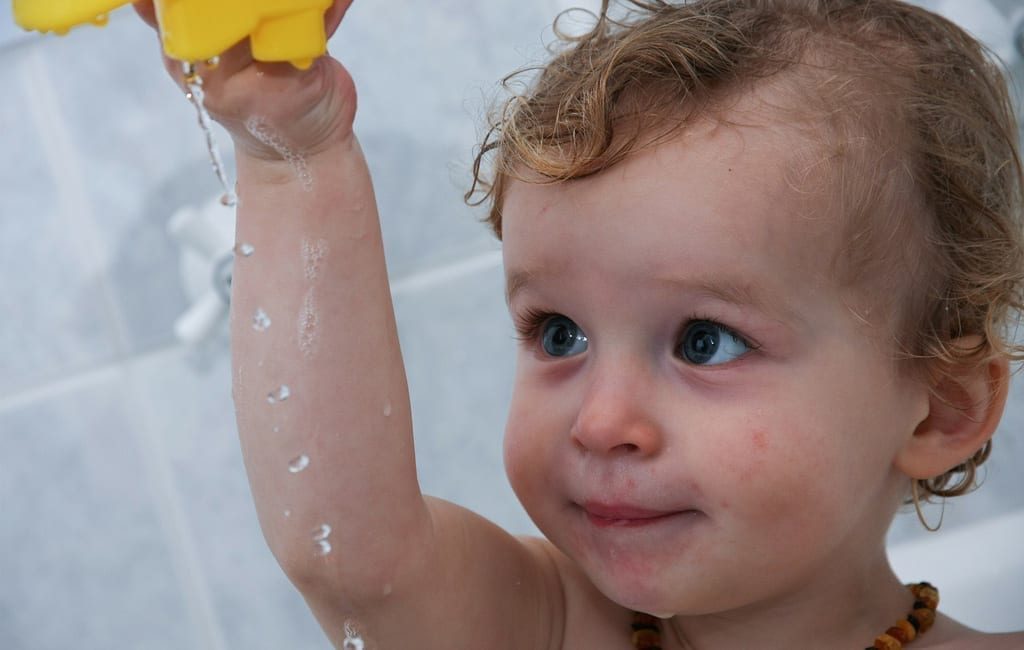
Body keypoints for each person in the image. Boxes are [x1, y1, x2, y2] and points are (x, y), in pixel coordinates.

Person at [135, 0, 1024, 647]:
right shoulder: (554, 627)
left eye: (703, 341)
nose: (600, 422)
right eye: (559, 334)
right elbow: (351, 560)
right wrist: (294, 151)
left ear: (941, 408)